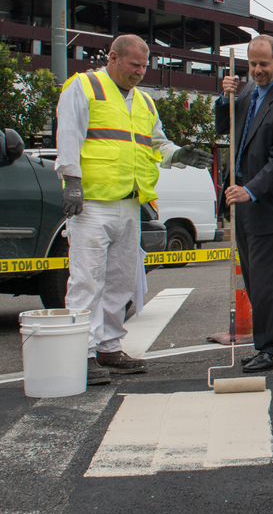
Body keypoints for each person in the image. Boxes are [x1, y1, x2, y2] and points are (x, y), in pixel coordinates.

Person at [55, 34, 211, 385]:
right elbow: (68, 135)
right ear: (112, 58)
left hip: (129, 202)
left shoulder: (142, 102)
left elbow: (156, 142)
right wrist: (71, 181)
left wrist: (178, 154)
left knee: (120, 280)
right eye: (134, 65)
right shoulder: (84, 87)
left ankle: (108, 347)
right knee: (86, 281)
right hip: (93, 203)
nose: (140, 72)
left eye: (145, 66)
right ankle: (81, 354)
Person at [216, 34, 273, 373]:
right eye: (252, 64)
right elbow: (224, 126)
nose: (257, 70)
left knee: (268, 284)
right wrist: (223, 97)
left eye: (264, 64)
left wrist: (250, 190)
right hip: (244, 205)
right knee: (257, 283)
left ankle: (271, 348)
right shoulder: (244, 94)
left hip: (268, 206)